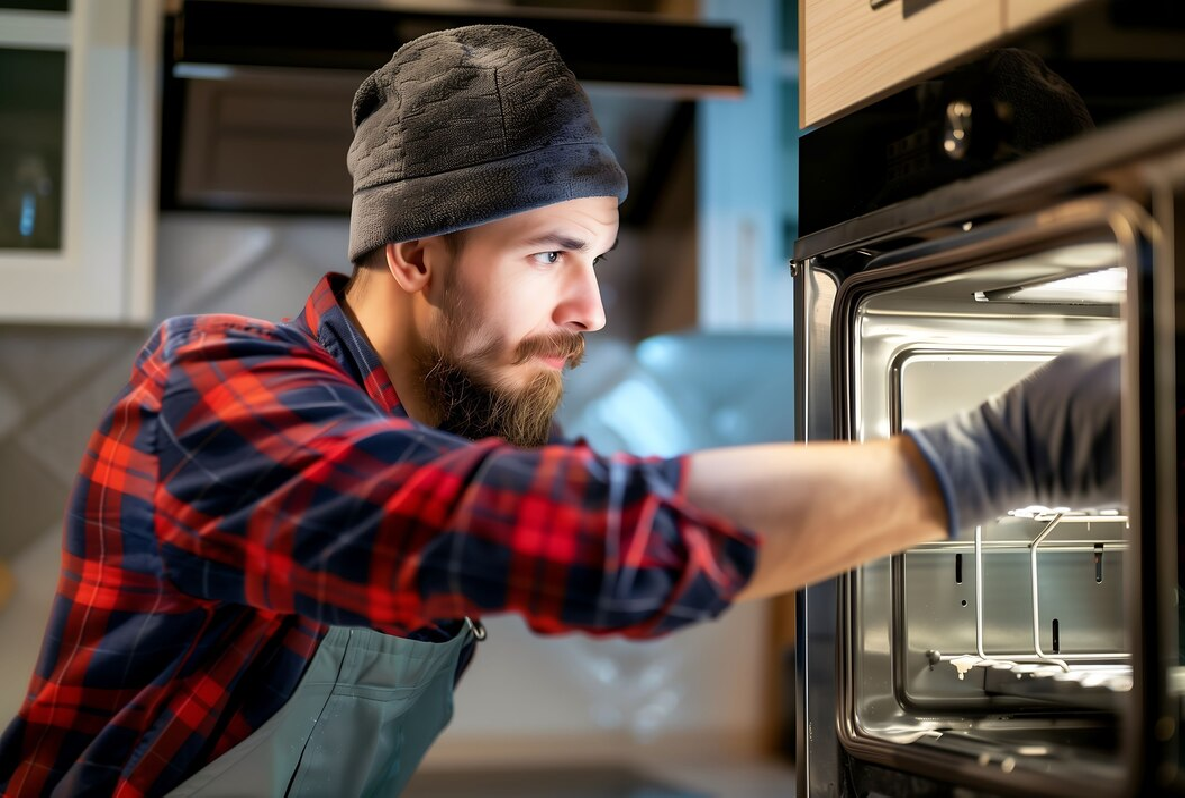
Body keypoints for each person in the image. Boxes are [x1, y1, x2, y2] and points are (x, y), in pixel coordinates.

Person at [0, 24, 1121, 798]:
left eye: (597, 258)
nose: (589, 306)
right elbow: (586, 537)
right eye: (551, 253)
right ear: (416, 253)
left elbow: (629, 509)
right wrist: (1000, 454)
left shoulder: (454, 424)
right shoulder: (214, 386)